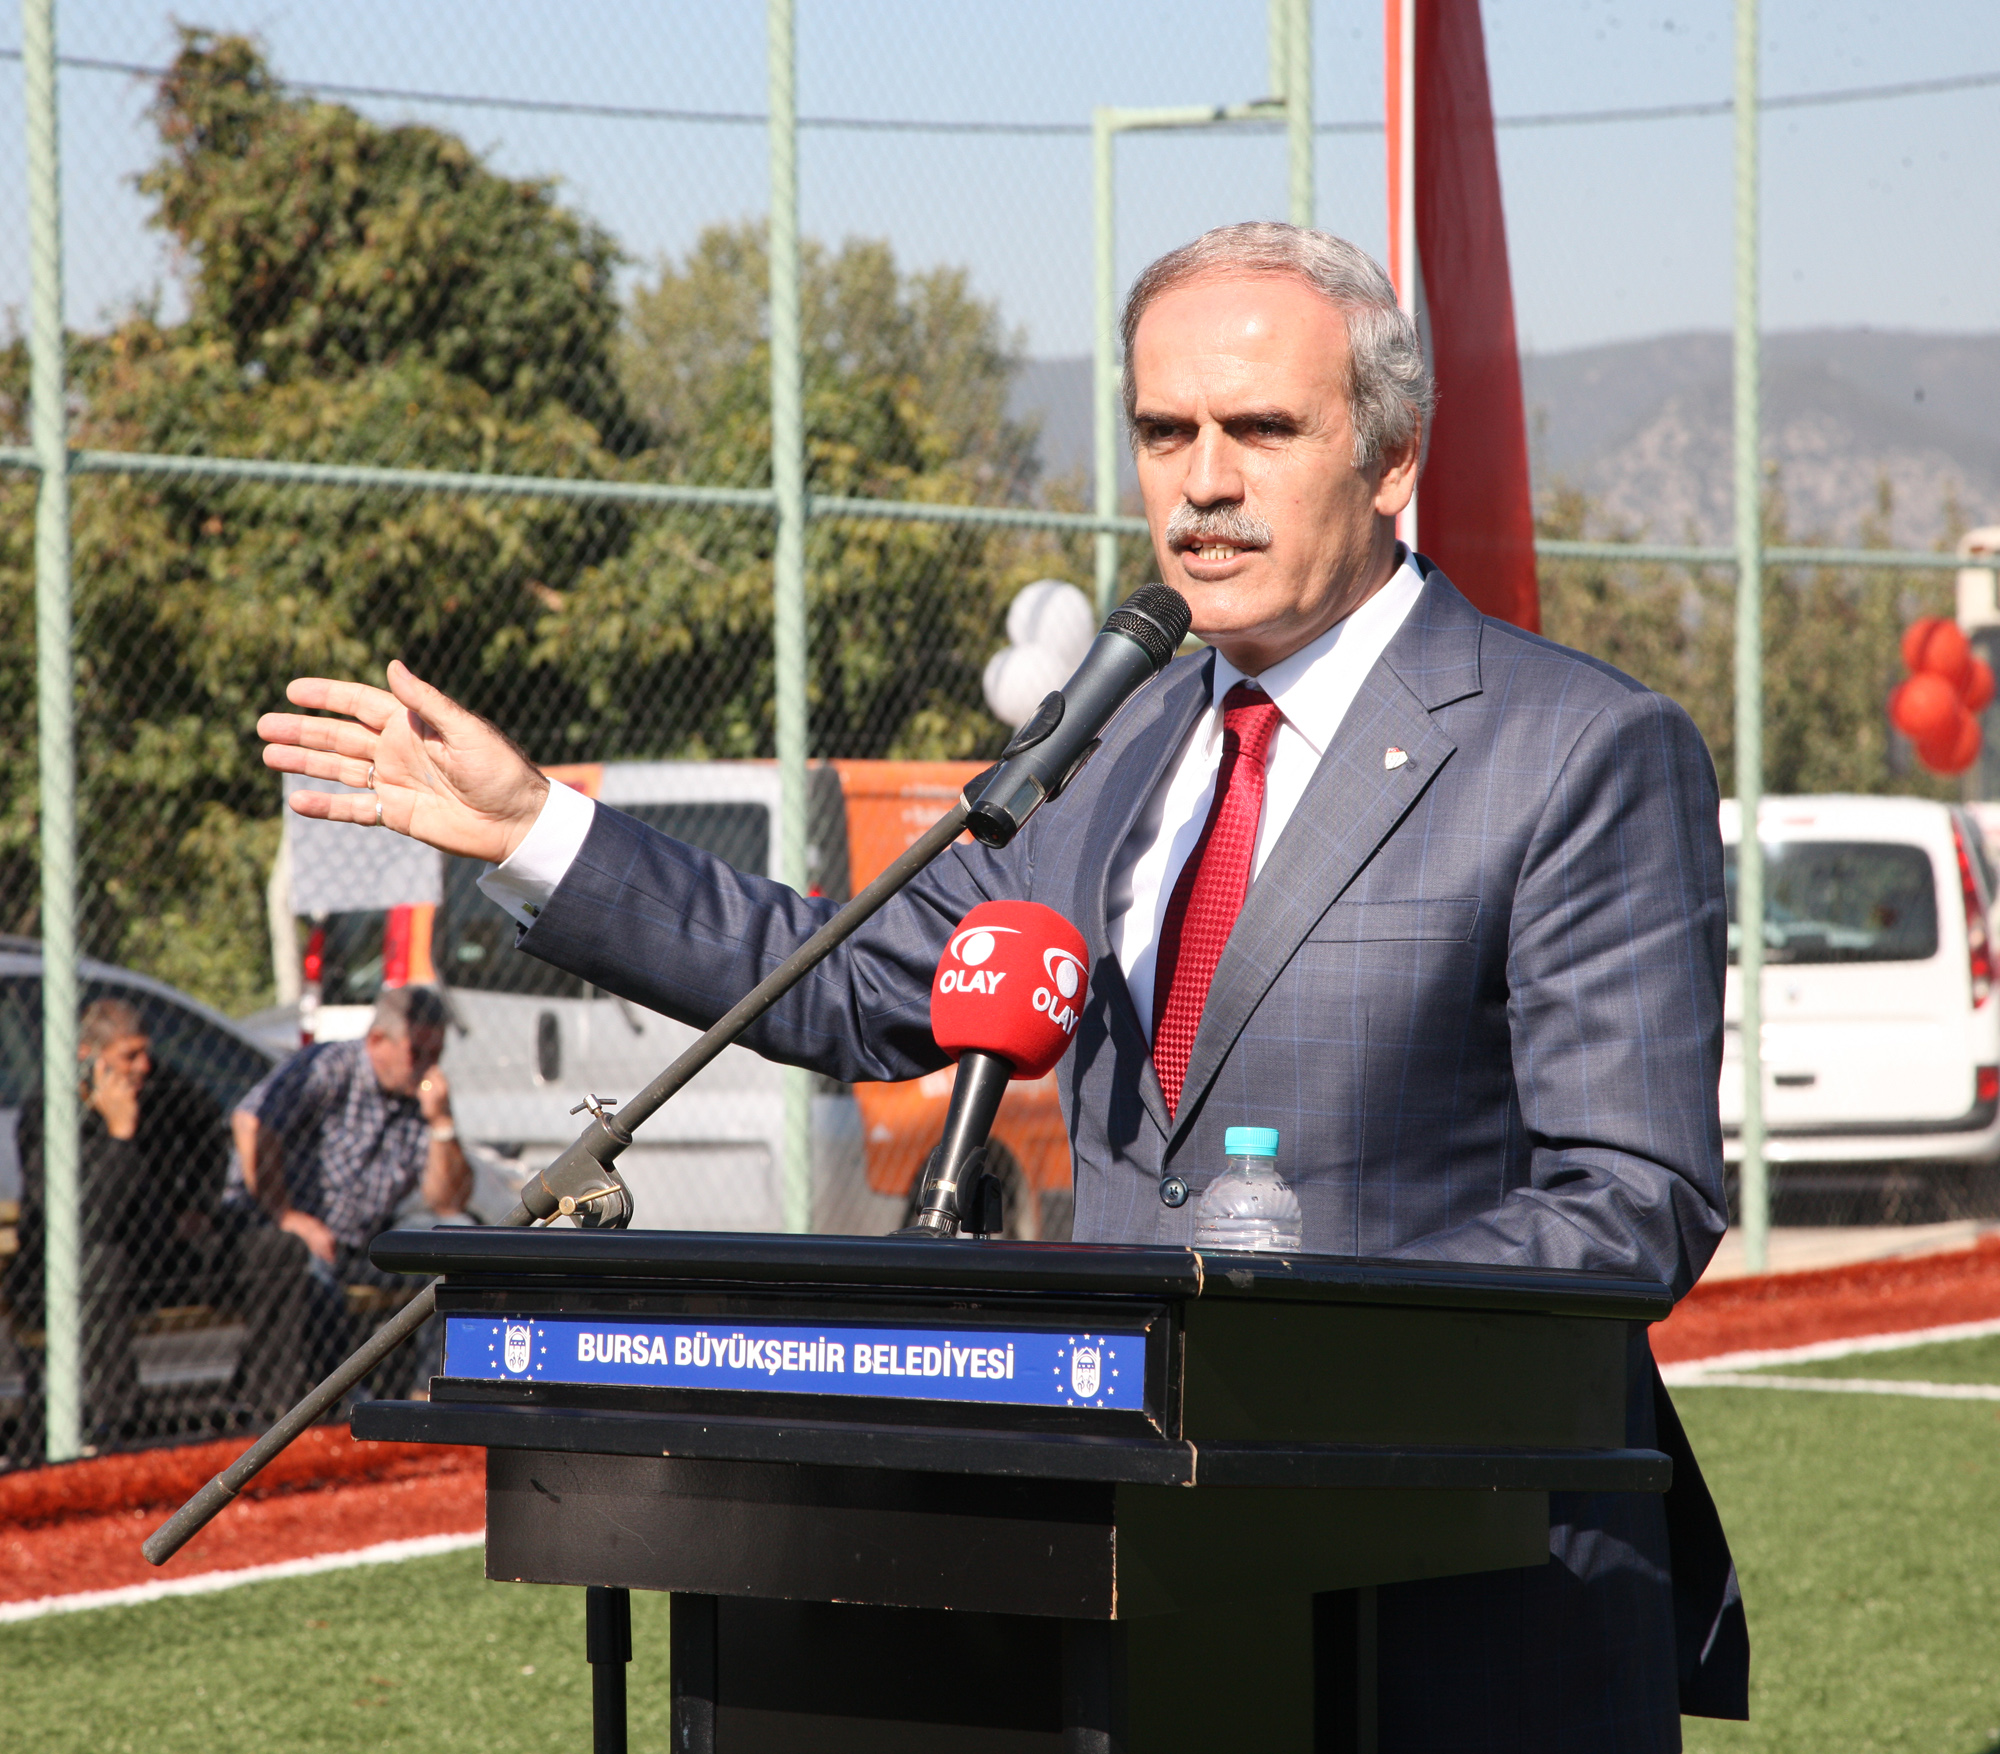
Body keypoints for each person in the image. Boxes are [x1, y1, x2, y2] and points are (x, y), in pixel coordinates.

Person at [258, 222, 1744, 1748]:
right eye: (1164, 432)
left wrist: (1283, 1355)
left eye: (1259, 429)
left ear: (1392, 458)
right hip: (1141, 1597)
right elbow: (845, 976)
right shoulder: (1116, 738)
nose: (1203, 481)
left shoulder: (1577, 750)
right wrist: (533, 829)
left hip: (1455, 1593)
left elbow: (1630, 1198)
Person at [223, 985, 471, 1409]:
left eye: (437, 1053)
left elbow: (448, 1201)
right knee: (316, 1277)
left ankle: (429, 1395)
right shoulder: (330, 1066)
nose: (428, 1066)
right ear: (377, 1041)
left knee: (454, 1247)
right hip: (281, 1233)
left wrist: (442, 1124)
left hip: (359, 1243)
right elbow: (251, 1122)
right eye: (417, 1052)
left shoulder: (421, 1100)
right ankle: (332, 1407)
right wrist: (288, 1216)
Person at [6, 998, 231, 1441]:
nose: (144, 1066)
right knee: (101, 1264)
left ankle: (267, 1407)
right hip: (64, 1272)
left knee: (273, 1250)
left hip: (156, 1257)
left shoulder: (158, 1085)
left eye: (146, 1051)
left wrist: (198, 1205)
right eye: (130, 1055)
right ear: (87, 1055)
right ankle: (118, 1424)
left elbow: (210, 1128)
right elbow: (88, 1222)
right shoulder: (49, 1112)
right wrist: (120, 1136)